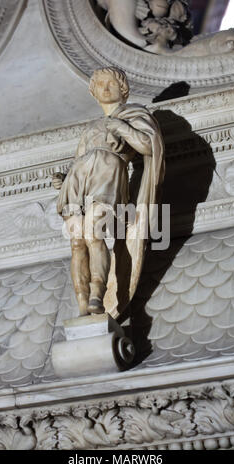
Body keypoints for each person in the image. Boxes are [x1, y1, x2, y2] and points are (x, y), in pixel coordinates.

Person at [52, 67, 164, 317]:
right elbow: (79, 158)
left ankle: (97, 295)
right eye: (100, 84)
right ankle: (82, 304)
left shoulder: (134, 114)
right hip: (78, 180)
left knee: (94, 232)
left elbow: (148, 145)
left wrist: (120, 127)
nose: (105, 88)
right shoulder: (90, 128)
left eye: (110, 83)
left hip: (109, 171)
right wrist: (65, 178)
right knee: (77, 242)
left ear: (123, 88)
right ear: (93, 92)